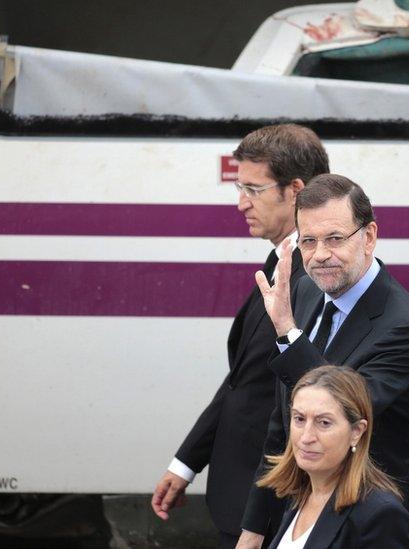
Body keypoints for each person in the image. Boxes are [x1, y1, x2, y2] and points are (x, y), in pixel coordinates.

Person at [151, 124, 329, 548]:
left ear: (296, 190)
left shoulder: (314, 276)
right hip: (243, 493)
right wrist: (186, 462)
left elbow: (295, 398)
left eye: (253, 188)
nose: (240, 204)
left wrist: (256, 521)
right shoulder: (280, 262)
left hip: (269, 500)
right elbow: (243, 379)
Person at [236, 174, 409, 548]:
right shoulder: (307, 291)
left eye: (334, 239)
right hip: (296, 516)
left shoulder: (407, 325)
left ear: (369, 236)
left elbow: (338, 404)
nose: (320, 255)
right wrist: (254, 527)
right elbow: (282, 427)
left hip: (360, 525)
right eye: (308, 241)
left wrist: (288, 333)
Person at [259, 365, 409, 549]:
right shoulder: (299, 494)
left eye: (324, 423)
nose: (306, 437)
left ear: (357, 431)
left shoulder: (381, 514)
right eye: (299, 419)